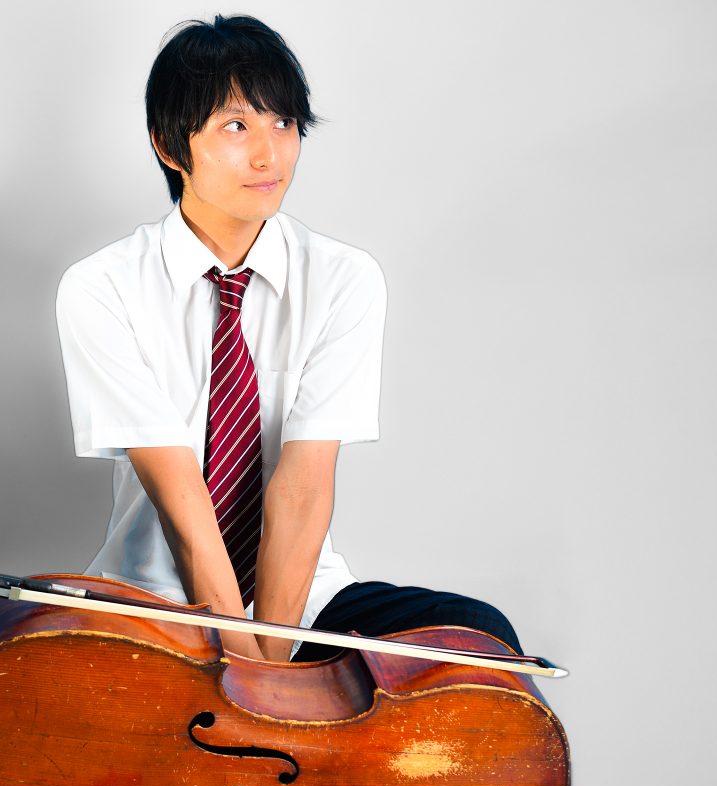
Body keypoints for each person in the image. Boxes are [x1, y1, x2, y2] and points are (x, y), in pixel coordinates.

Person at [55, 13, 522, 664]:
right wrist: (245, 671)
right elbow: (180, 498)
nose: (269, 154)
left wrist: (270, 670)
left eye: (283, 123)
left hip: (302, 603)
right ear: (169, 145)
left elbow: (302, 488)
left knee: (477, 633)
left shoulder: (343, 279)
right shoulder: (102, 287)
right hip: (152, 603)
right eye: (237, 126)